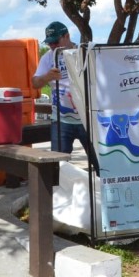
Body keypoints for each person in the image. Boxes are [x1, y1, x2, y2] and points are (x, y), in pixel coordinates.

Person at [32, 21, 98, 173]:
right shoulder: (48, 57)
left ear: (67, 36)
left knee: (100, 163)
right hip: (61, 121)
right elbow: (35, 83)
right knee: (58, 167)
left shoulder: (83, 53)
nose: (52, 46)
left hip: (86, 119)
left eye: (55, 42)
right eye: (49, 43)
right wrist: (47, 77)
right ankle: (60, 188)